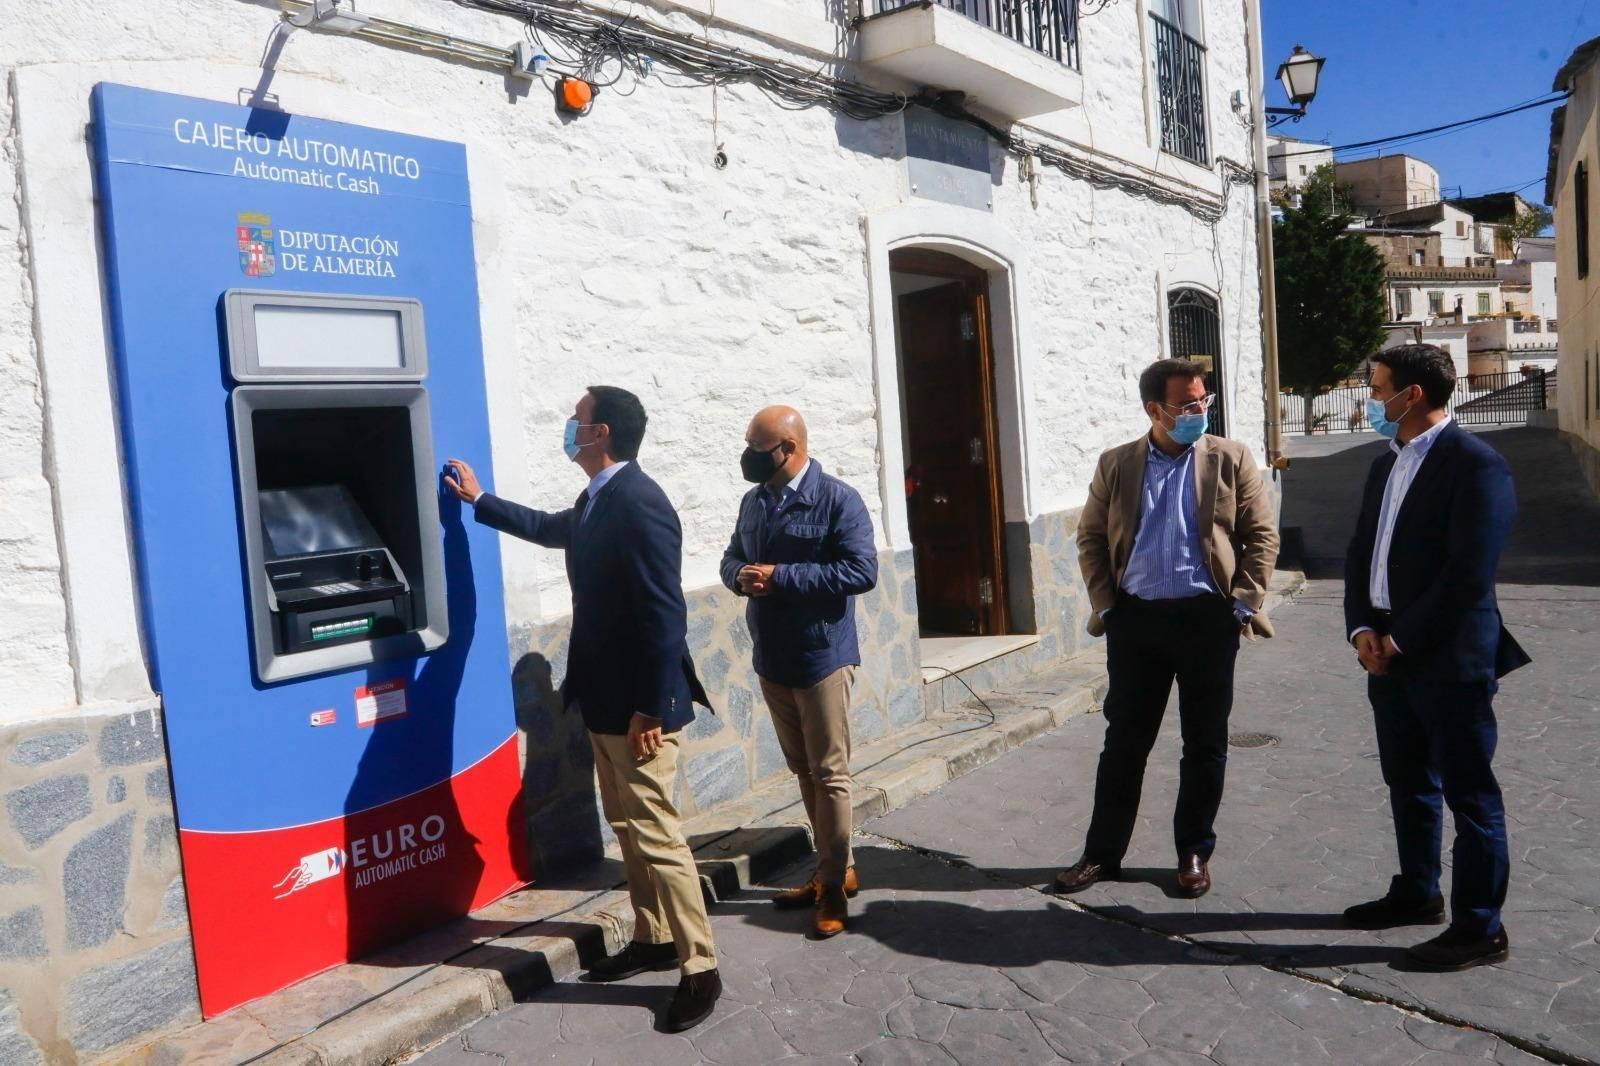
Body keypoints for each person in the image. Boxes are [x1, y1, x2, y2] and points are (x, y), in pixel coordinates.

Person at [444, 386, 721, 1032]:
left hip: (640, 712)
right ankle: (653, 938)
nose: (569, 424)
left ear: (600, 436)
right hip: (605, 703)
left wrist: (652, 708)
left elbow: (665, 615)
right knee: (627, 830)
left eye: (578, 418)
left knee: (659, 837)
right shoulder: (597, 500)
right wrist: (478, 501)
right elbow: (548, 529)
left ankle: (700, 967)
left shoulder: (641, 504)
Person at [1053, 358, 1279, 899]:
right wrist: (1108, 607)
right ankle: (1102, 854)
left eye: (1204, 401)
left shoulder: (1230, 458)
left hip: (1208, 621)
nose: (1198, 412)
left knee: (1205, 743)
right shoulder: (1117, 464)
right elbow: (1090, 539)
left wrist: (1242, 606)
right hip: (1137, 622)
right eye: (1186, 405)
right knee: (1124, 743)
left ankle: (1194, 852)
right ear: (1154, 410)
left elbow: (1260, 535)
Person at [1341, 344, 1529, 971]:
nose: (1370, 398)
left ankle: (1481, 928)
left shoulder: (1477, 466)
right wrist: (1363, 627)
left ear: (1412, 394)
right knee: (1408, 781)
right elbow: (1362, 553)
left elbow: (1467, 574)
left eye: (1377, 387)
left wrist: (1402, 639)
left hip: (1447, 656)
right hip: (1387, 651)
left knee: (1470, 794)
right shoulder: (1385, 463)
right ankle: (1418, 892)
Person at [719, 406, 877, 938]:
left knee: (830, 773)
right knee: (804, 771)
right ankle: (833, 867)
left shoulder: (838, 499)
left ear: (788, 448)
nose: (747, 457)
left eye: (756, 448)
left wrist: (782, 576)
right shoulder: (754, 501)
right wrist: (740, 576)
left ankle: (832, 888)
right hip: (773, 657)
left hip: (821, 656)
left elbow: (861, 571)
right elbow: (731, 557)